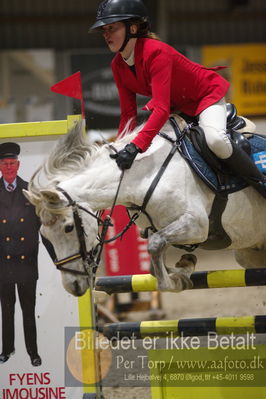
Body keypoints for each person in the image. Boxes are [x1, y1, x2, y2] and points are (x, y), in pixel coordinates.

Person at [90, 0, 266, 198]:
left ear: (132, 28)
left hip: (205, 97)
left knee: (215, 140)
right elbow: (128, 114)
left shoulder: (155, 52)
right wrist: (121, 145)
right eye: (104, 30)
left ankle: (261, 184)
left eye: (112, 28)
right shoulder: (118, 65)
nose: (106, 35)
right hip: (179, 106)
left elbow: (162, 109)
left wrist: (136, 146)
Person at [0, 142, 55, 367]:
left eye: (12, 163)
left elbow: (43, 229)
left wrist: (56, 259)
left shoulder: (30, 192)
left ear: (18, 164)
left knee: (28, 311)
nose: (9, 167)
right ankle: (7, 349)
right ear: (0, 167)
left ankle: (33, 352)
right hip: (3, 264)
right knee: (6, 310)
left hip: (27, 264)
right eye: (5, 163)